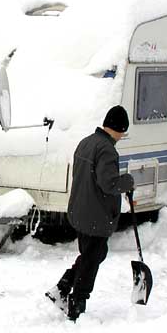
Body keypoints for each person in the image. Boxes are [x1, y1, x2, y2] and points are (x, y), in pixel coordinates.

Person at [46, 105, 135, 321]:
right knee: (91, 259)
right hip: (96, 215)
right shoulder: (107, 150)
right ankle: (77, 304)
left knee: (93, 255)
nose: (122, 137)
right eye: (123, 132)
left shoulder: (86, 142)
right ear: (118, 128)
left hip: (81, 211)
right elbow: (108, 183)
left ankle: (62, 287)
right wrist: (128, 181)